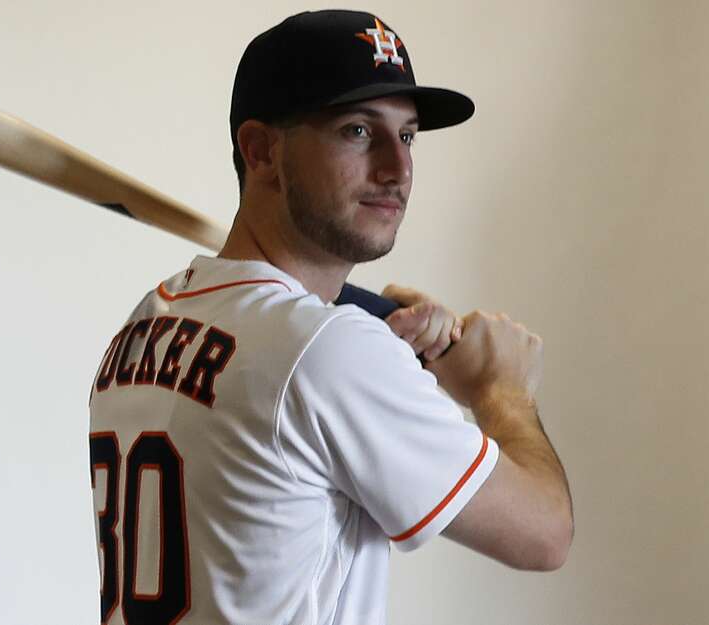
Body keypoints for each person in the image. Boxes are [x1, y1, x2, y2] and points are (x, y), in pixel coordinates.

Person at [87, 9, 572, 624]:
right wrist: (500, 391)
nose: (397, 169)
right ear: (261, 150)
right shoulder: (328, 351)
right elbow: (545, 532)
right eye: (358, 131)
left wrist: (403, 352)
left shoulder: (146, 323)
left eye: (409, 135)